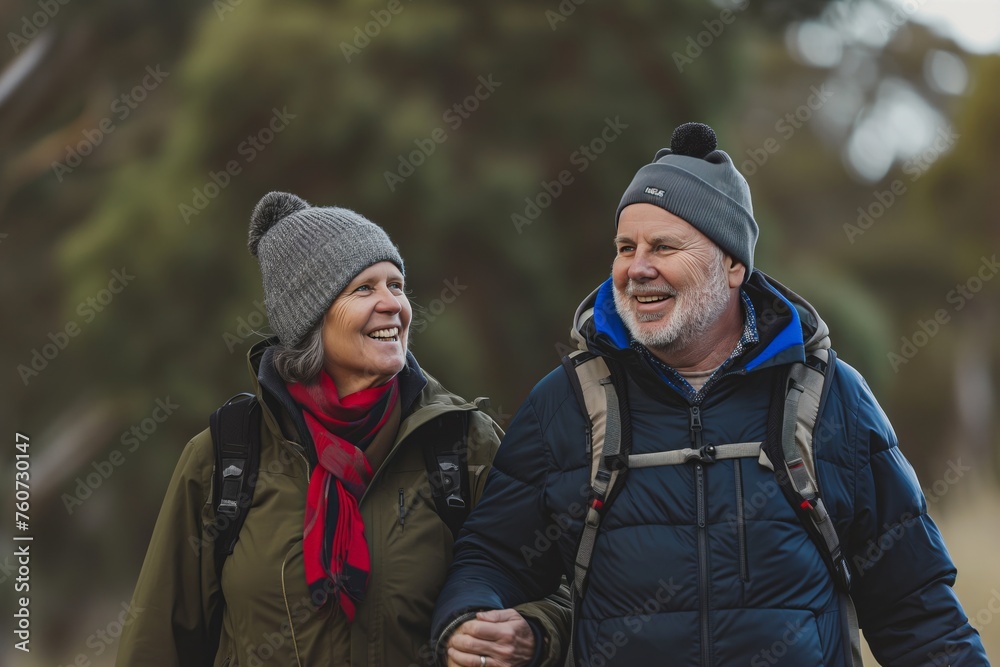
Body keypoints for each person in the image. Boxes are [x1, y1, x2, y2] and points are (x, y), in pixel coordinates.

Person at [432, 123, 990, 666]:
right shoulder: (567, 402)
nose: (637, 268)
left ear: (732, 265)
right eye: (625, 247)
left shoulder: (831, 397)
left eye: (664, 246)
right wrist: (470, 618)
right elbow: (493, 556)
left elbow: (915, 607)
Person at [117, 192, 569, 667]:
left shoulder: (460, 443)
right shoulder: (228, 455)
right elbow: (158, 641)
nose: (392, 304)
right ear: (309, 318)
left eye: (396, 285)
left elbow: (564, 593)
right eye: (364, 288)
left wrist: (534, 633)